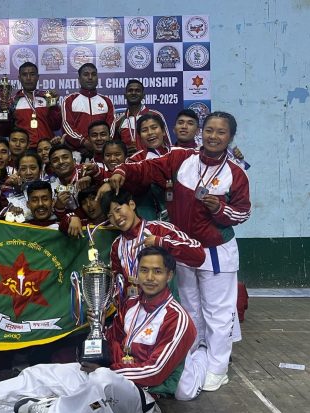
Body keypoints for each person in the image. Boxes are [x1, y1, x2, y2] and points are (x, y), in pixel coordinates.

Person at [0, 246, 197, 413]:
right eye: (145, 270)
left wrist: (109, 368)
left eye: (157, 272)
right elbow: (111, 340)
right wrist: (97, 334)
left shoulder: (178, 319)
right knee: (40, 372)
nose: (149, 277)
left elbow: (155, 371)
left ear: (169, 276)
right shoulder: (130, 305)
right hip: (104, 376)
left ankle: (52, 411)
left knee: (100, 382)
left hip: (141, 397)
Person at [106, 111, 252, 392]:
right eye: (209, 130)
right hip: (182, 248)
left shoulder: (235, 172)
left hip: (216, 252)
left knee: (218, 313)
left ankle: (218, 368)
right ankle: (193, 357)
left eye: (221, 132)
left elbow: (243, 212)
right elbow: (147, 168)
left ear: (231, 137)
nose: (213, 136)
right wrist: (122, 171)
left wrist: (220, 209)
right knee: (190, 308)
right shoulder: (181, 158)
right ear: (201, 132)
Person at [100, 189, 205, 303]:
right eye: (110, 216)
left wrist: (160, 242)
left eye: (118, 209)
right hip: (134, 309)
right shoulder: (117, 245)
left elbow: (198, 256)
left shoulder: (159, 230)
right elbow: (117, 284)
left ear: (132, 204)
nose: (116, 218)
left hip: (164, 307)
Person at [59, 63, 115, 161]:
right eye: (86, 74)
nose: (90, 77)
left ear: (97, 78)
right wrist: (83, 142)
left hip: (103, 153)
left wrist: (102, 143)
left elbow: (111, 127)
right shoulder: (69, 100)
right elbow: (67, 126)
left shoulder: (106, 101)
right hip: (77, 153)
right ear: (79, 79)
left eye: (93, 74)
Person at [0, 62, 62, 148]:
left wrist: (54, 105)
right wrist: (3, 111)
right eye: (24, 75)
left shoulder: (47, 97)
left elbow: (56, 126)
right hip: (25, 150)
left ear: (37, 77)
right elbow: (4, 132)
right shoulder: (12, 102)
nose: (28, 78)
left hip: (46, 148)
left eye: (32, 74)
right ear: (19, 78)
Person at [114, 80, 170, 154]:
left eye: (137, 91)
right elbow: (115, 149)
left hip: (153, 160)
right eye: (130, 90)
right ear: (125, 95)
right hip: (130, 161)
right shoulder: (119, 121)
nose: (133, 93)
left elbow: (167, 144)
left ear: (143, 95)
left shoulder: (155, 115)